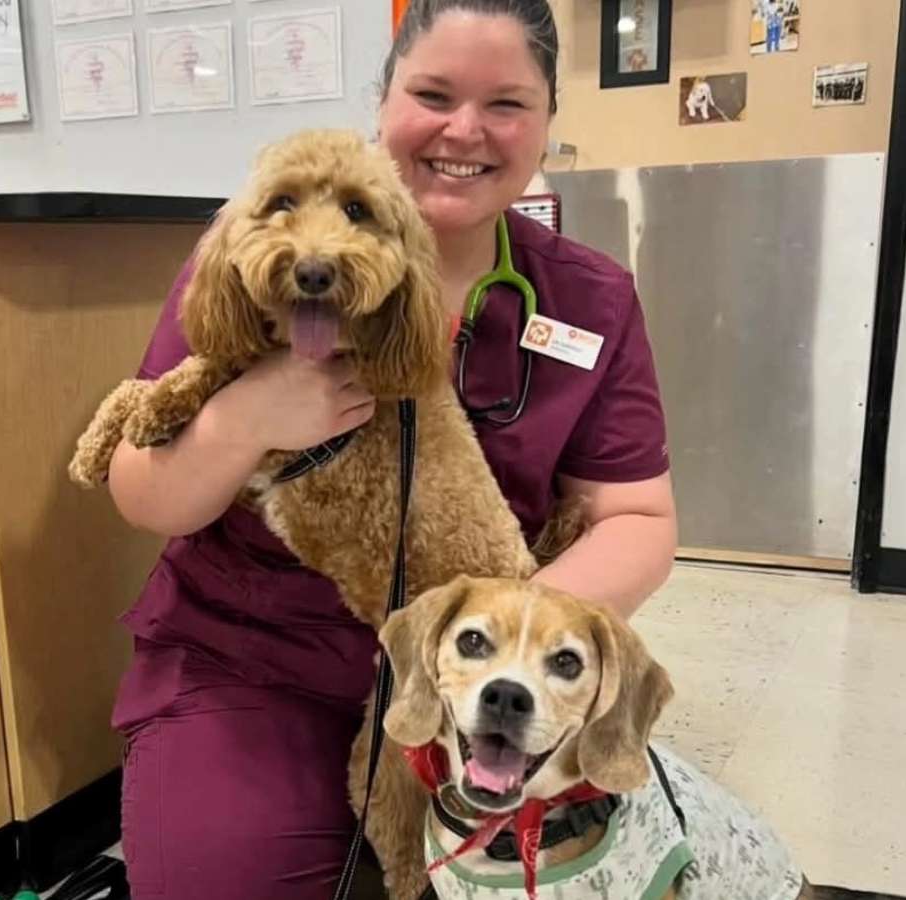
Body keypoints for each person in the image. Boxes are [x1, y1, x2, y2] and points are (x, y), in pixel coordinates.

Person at [106, 1, 677, 897]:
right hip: (257, 664)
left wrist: (501, 647)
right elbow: (142, 496)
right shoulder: (256, 259)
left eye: (508, 104)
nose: (465, 130)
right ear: (383, 101)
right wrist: (244, 420)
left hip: (481, 688)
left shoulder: (589, 301)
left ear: (548, 123)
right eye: (434, 93)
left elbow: (636, 517)